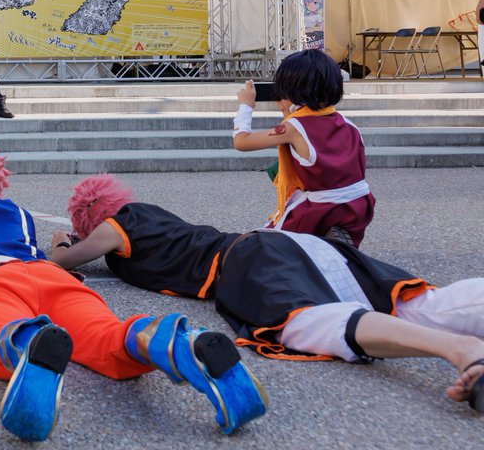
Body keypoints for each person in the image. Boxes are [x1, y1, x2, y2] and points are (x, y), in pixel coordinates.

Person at [0, 136, 267, 441]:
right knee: (106, 336)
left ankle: (27, 344)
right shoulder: (20, 213)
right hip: (50, 275)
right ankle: (178, 343)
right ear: (0, 181)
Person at [50, 174, 484, 414]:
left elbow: (64, 262)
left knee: (304, 323)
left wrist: (60, 243)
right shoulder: (151, 217)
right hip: (275, 243)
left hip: (247, 261)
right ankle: (465, 335)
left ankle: (462, 350)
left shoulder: (114, 227)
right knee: (411, 303)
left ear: (91, 216)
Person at [232, 48, 373, 245]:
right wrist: (288, 110)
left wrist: (246, 106)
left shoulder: (294, 127)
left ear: (292, 90)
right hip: (359, 205)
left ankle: (323, 235)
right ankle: (331, 241)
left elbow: (241, 141)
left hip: (322, 209)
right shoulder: (348, 124)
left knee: (268, 245)